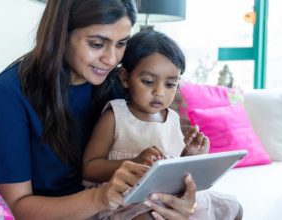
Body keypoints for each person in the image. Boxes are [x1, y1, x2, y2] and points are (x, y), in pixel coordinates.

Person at [0, 0, 199, 219]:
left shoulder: (120, 84)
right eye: (97, 44)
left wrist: (181, 200)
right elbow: (15, 207)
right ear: (62, 34)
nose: (111, 59)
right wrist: (102, 197)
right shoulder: (7, 93)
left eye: (121, 43)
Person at [82, 30, 243, 220]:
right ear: (125, 78)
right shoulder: (115, 116)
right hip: (126, 201)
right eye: (148, 82)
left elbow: (173, 168)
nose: (159, 92)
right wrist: (134, 162)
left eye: (169, 85)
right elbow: (89, 169)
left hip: (168, 198)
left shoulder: (173, 119)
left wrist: (189, 157)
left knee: (232, 207)